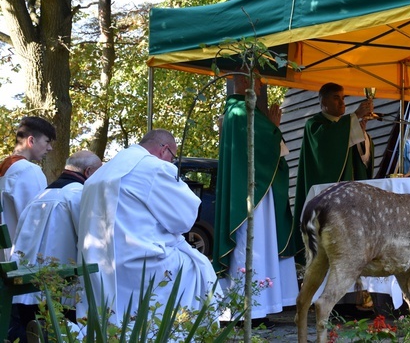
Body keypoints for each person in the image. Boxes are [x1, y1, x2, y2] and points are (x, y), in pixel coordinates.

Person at [77, 129, 220, 321]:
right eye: (173, 157)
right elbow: (184, 219)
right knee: (198, 270)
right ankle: (179, 333)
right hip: (140, 263)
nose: (172, 162)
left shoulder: (101, 173)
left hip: (98, 265)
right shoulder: (154, 168)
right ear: (165, 150)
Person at [213, 72, 298, 323]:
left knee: (257, 245)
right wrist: (273, 127)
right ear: (244, 82)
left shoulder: (236, 112)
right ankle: (248, 311)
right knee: (251, 244)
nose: (261, 86)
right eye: (258, 81)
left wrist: (270, 128)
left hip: (252, 192)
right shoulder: (242, 112)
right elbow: (271, 146)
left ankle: (257, 307)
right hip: (252, 196)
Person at [8, 150, 102, 343]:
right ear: (89, 172)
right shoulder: (78, 194)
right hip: (60, 291)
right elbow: (93, 240)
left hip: (26, 289)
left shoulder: (40, 196)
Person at [292, 83, 374, 262]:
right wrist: (355, 118)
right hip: (328, 202)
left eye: (343, 98)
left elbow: (361, 160)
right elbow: (327, 147)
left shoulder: (345, 127)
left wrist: (361, 135)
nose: (342, 103)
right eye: (336, 98)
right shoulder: (314, 125)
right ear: (322, 102)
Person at [0, 116, 56, 260]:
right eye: (47, 141)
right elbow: (38, 222)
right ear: (31, 140)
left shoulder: (5, 168)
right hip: (21, 261)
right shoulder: (29, 170)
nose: (50, 148)